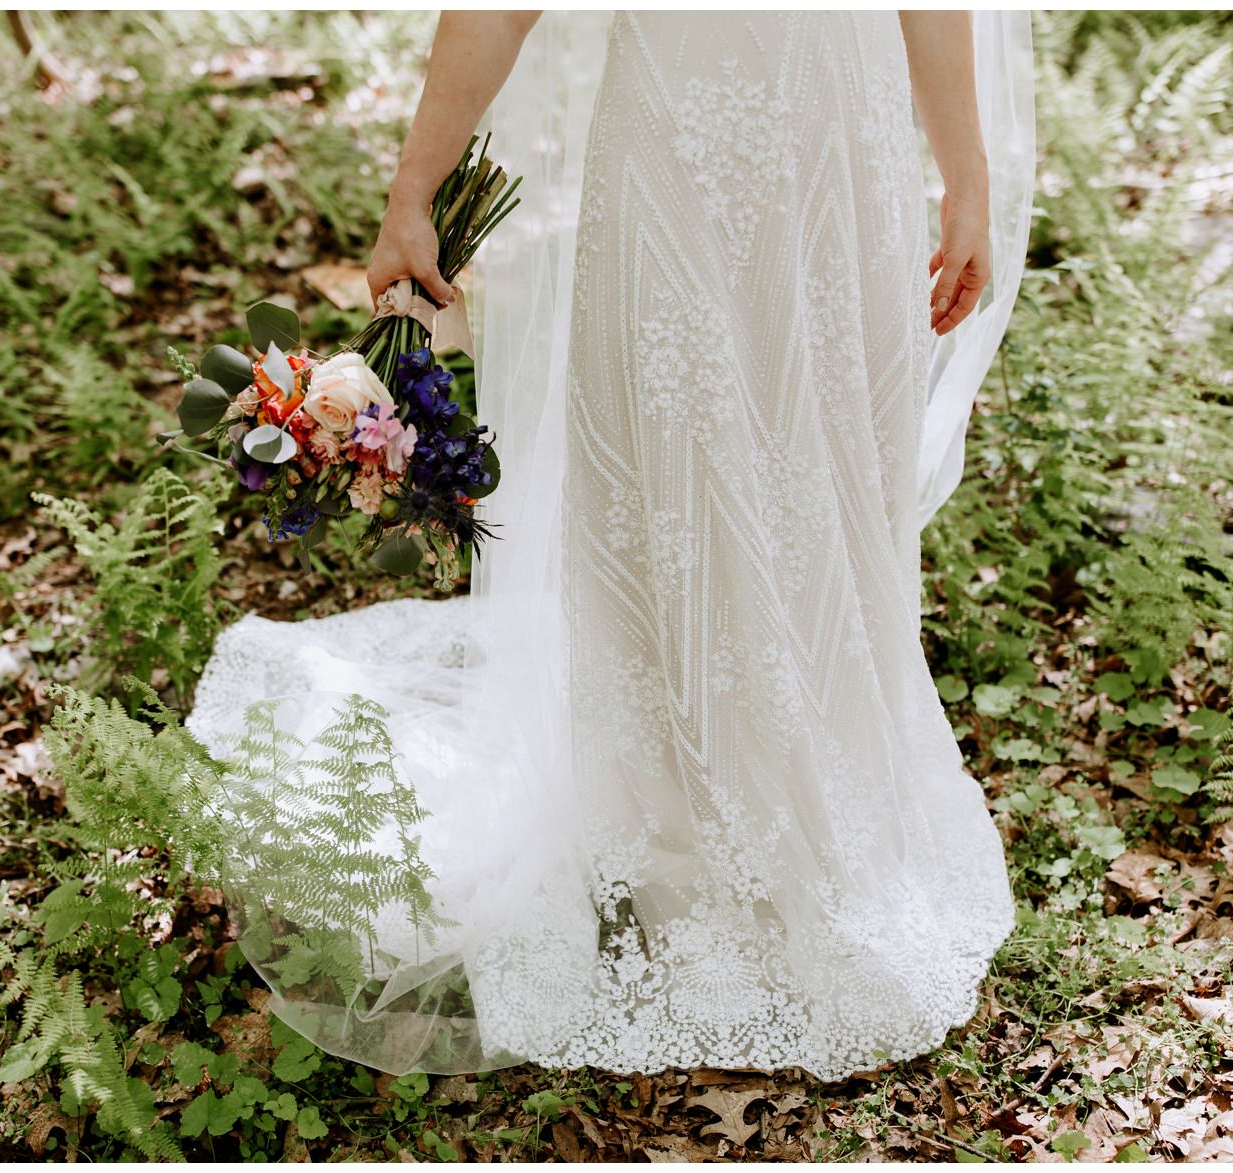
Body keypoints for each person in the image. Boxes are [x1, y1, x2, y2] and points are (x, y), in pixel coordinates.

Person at [188, 10, 1035, 1080]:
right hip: (675, 161)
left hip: (844, 164)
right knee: (680, 487)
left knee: (822, 498)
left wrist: (966, 173)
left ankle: (818, 815)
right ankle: (671, 836)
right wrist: (414, 188)